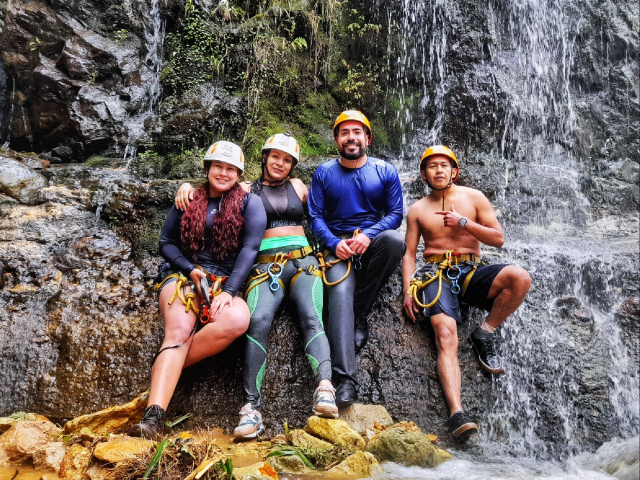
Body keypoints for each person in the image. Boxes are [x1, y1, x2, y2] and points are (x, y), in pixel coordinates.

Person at [175, 133, 337, 440]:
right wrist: (185, 188)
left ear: (293, 165)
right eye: (275, 156)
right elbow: (211, 191)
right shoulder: (244, 190)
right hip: (265, 269)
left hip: (304, 263)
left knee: (311, 316)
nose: (280, 163)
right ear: (264, 157)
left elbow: (328, 212)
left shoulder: (300, 187)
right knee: (257, 320)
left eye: (287, 159)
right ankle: (250, 408)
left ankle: (325, 388)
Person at [128, 141, 267, 440]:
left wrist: (229, 291)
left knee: (237, 320)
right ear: (207, 168)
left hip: (225, 281)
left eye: (231, 168)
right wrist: (188, 269)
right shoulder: (188, 197)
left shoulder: (250, 203)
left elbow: (250, 248)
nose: (223, 172)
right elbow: (165, 243)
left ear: (239, 173)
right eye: (218, 165)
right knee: (177, 332)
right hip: (184, 275)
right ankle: (153, 417)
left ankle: (166, 366)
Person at [402, 145, 531, 439]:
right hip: (436, 273)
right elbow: (409, 254)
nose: (438, 170)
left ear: (454, 171)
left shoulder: (474, 198)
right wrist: (408, 289)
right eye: (431, 166)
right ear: (424, 174)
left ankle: (485, 331)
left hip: (472, 270)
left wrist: (463, 221)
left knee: (519, 277)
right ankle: (457, 413)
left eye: (443, 165)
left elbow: (498, 239)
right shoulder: (418, 209)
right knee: (445, 335)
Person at [307, 110, 405, 408]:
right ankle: (345, 381)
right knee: (339, 301)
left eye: (357, 132)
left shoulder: (385, 170)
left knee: (393, 242)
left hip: (371, 243)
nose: (351, 137)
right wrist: (335, 244)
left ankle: (359, 312)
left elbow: (395, 214)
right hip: (337, 250)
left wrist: (368, 234)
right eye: (345, 132)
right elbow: (314, 216)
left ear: (367, 138)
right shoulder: (324, 173)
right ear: (337, 139)